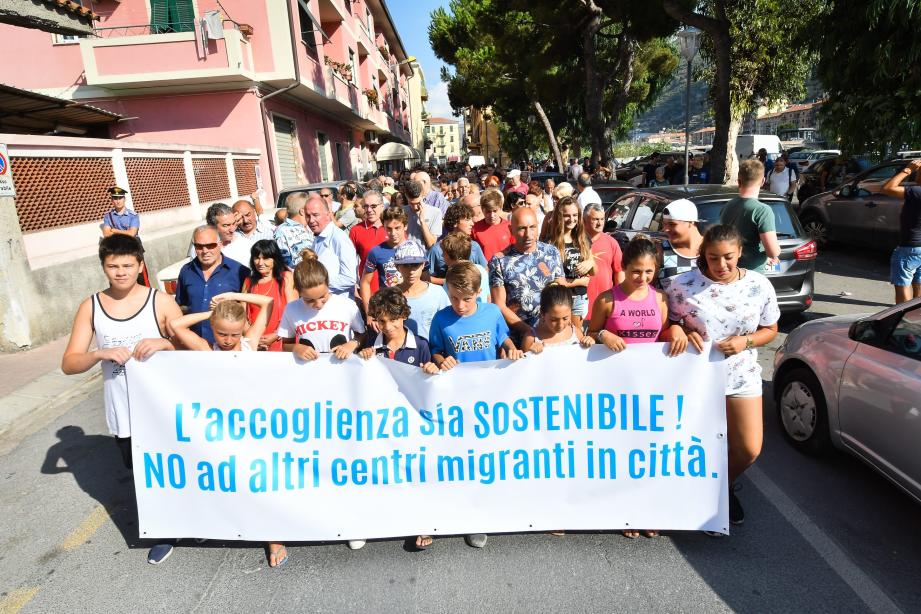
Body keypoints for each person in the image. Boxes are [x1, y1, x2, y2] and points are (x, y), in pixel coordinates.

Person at [62, 234, 182, 565]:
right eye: (113, 266)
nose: (120, 272)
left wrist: (165, 344)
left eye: (128, 265)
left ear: (140, 265)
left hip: (163, 408)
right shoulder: (92, 306)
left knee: (175, 468)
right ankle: (162, 531)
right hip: (123, 411)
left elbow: (191, 348)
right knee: (142, 474)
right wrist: (98, 352)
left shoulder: (158, 301)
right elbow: (69, 363)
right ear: (103, 267)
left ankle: (184, 521)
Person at [662, 224, 780, 526]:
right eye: (713, 258)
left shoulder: (759, 285)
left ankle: (720, 486)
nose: (721, 265)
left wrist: (746, 341)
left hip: (741, 376)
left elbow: (771, 330)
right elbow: (667, 323)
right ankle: (703, 496)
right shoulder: (681, 286)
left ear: (740, 252)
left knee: (749, 448)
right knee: (693, 444)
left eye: (728, 257)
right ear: (704, 255)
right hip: (694, 379)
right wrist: (676, 329)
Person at [587, 235, 685, 538]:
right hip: (614, 389)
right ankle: (623, 513)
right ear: (624, 268)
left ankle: (648, 510)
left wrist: (677, 328)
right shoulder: (607, 299)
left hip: (651, 389)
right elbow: (589, 334)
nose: (642, 278)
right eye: (636, 272)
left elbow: (665, 332)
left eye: (649, 272)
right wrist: (604, 335)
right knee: (619, 454)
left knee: (648, 454)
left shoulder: (659, 299)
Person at [428, 261, 524, 550]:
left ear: (479, 293)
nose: (459, 305)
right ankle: (464, 514)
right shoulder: (441, 319)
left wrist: (510, 348)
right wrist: (440, 360)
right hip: (456, 401)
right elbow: (434, 350)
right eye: (454, 298)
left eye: (467, 299)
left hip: (490, 398)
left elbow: (503, 338)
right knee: (461, 458)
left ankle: (483, 514)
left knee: (487, 457)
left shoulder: (492, 312)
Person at [358, 288, 439, 549]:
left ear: (404, 316)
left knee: (419, 473)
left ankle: (423, 523)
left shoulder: (422, 345)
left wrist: (431, 370)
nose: (388, 326)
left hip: (415, 422)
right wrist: (363, 358)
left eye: (393, 319)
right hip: (385, 423)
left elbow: (432, 385)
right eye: (381, 321)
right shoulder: (372, 347)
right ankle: (385, 520)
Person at [489, 208, 565, 342]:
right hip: (519, 337)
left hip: (552, 333)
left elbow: (561, 291)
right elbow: (499, 304)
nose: (528, 234)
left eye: (532, 227)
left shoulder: (551, 252)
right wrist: (528, 331)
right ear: (511, 229)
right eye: (522, 228)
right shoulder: (500, 261)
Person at [175, 225, 249, 345]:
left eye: (210, 245)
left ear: (219, 244)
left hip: (228, 346)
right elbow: (181, 306)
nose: (205, 251)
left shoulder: (239, 271)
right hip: (195, 345)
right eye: (199, 246)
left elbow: (248, 311)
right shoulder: (186, 271)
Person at [720, 159, 780, 272]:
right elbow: (773, 251)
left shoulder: (727, 205)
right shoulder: (762, 210)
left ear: (739, 181)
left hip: (731, 269)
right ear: (763, 181)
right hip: (752, 272)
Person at [546, 196, 594, 329]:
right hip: (560, 299)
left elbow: (594, 271)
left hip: (579, 297)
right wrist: (579, 282)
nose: (572, 219)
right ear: (559, 217)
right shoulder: (551, 243)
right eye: (567, 215)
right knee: (562, 335)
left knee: (577, 336)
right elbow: (553, 280)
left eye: (575, 215)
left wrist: (590, 262)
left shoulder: (582, 238)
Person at [243, 239, 298, 351]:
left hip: (282, 339)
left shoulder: (286, 277)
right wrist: (253, 338)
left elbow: (294, 311)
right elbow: (242, 316)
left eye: (266, 258)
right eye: (256, 258)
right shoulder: (248, 281)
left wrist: (277, 334)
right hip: (254, 343)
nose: (260, 263)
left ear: (275, 259)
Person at [881, 158, 921, 303]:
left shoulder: (916, 191)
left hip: (910, 248)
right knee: (919, 287)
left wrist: (907, 169)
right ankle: (916, 321)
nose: (915, 174)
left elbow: (887, 188)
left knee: (903, 287)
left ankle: (902, 320)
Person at [393, 239, 450, 341]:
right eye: (405, 265)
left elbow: (448, 325)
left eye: (415, 265)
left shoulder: (438, 293)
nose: (411, 271)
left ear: (423, 265)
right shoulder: (390, 295)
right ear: (397, 267)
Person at [360, 206, 409, 323]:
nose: (393, 233)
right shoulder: (376, 252)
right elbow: (365, 282)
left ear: (405, 226)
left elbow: (425, 279)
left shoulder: (415, 250)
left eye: (397, 228)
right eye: (389, 229)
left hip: (412, 304)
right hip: (387, 309)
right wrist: (369, 313)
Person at [305, 194, 359, 297]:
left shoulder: (338, 238)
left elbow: (349, 278)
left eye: (316, 215)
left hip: (338, 306)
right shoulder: (318, 237)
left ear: (328, 214)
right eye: (308, 216)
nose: (311, 220)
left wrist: (318, 288)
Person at [427, 203, 488, 286]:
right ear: (455, 222)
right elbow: (426, 278)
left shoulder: (474, 246)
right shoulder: (437, 249)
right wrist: (449, 282)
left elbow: (485, 271)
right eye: (467, 220)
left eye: (471, 219)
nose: (472, 224)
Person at [522, 284, 595, 353]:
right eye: (554, 320)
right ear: (542, 313)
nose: (560, 325)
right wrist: (531, 353)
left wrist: (589, 343)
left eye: (565, 318)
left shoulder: (576, 334)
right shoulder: (531, 339)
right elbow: (526, 364)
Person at [582, 203, 623, 321]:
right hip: (580, 307)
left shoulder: (611, 242)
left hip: (605, 305)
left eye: (602, 219)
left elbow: (619, 271)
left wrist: (620, 298)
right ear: (584, 221)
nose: (600, 223)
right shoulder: (576, 242)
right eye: (595, 219)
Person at [350, 189, 387, 296]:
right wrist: (355, 290)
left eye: (373, 206)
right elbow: (349, 262)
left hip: (394, 288)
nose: (369, 210)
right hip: (369, 290)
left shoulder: (393, 227)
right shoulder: (356, 230)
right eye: (366, 206)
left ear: (382, 206)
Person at [658, 199, 704, 281]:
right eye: (664, 224)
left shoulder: (712, 246)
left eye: (672, 224)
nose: (665, 229)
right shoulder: (661, 250)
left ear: (690, 222)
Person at [441, 230, 490, 303]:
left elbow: (448, 303)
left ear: (450, 256)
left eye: (444, 253)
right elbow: (488, 297)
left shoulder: (451, 277)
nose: (442, 255)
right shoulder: (481, 269)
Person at [274, 192, 314, 269]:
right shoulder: (282, 231)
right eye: (310, 208)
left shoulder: (309, 227)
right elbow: (285, 263)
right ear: (302, 211)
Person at [472, 189, 513, 262]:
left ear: (500, 208)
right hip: (487, 270)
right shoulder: (475, 229)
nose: (492, 215)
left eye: (495, 211)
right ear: (482, 209)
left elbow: (515, 247)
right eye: (488, 211)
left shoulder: (509, 226)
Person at [403, 179, 443, 249]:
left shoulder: (436, 212)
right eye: (411, 203)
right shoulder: (402, 211)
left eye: (418, 203)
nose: (415, 207)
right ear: (406, 196)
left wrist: (422, 221)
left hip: (425, 258)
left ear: (423, 195)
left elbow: (432, 244)